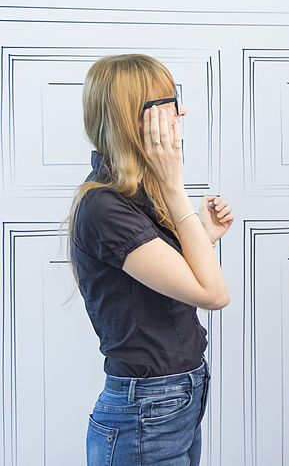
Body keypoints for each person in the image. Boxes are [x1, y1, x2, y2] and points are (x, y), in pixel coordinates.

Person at [67, 54, 234, 465]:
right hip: (148, 408)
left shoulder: (137, 192)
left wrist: (201, 235)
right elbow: (213, 294)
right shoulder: (104, 206)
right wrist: (176, 188)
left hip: (175, 396)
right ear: (134, 119)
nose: (181, 113)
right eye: (169, 101)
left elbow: (176, 282)